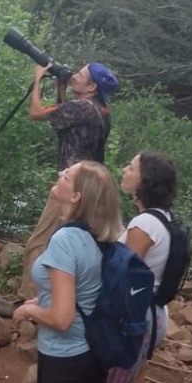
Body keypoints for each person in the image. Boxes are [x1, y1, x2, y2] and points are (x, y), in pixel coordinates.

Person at [12, 161, 124, 383]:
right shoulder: (101, 235)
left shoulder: (64, 240)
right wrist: (42, 299)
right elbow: (80, 291)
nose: (60, 175)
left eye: (66, 175)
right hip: (94, 351)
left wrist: (30, 311)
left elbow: (61, 318)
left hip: (64, 358)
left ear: (76, 196)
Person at [19, 62, 119, 299]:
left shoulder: (82, 107)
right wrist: (62, 85)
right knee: (69, 245)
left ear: (92, 86)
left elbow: (36, 113)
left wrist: (37, 80)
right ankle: (64, 298)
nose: (75, 75)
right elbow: (65, 117)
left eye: (80, 75)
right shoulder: (101, 109)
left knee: (39, 244)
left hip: (70, 187)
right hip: (89, 188)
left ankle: (31, 301)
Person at [106, 152, 176, 383]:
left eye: (131, 167)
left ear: (144, 182)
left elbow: (123, 274)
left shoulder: (144, 223)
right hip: (155, 314)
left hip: (136, 321)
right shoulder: (164, 219)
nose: (124, 169)